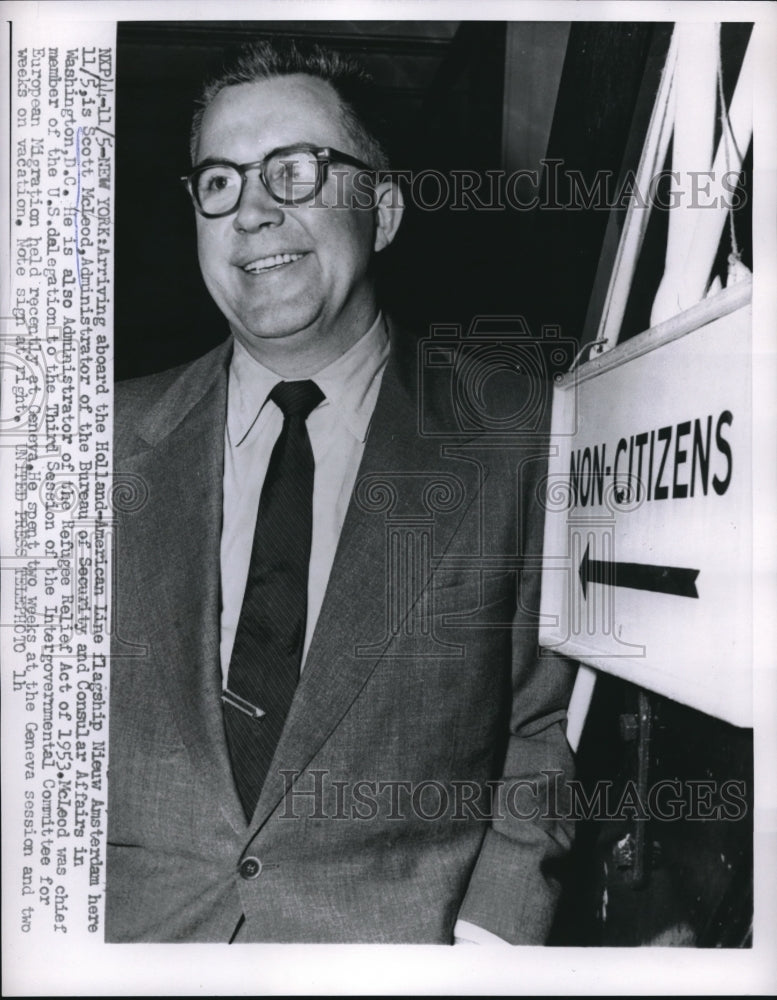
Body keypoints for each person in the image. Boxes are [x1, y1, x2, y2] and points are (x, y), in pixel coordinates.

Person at [106, 37, 576, 944]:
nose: (252, 212)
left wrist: (487, 953)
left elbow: (541, 729)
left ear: (383, 211)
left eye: (294, 171)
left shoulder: (517, 436)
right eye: (219, 182)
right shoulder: (90, 443)